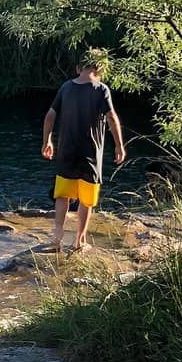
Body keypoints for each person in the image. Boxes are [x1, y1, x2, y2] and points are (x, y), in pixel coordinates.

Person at [41, 50, 126, 252]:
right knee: (87, 201)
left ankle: (57, 235)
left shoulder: (66, 87)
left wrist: (47, 141)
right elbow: (112, 118)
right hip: (91, 154)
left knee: (62, 195)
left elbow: (50, 115)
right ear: (100, 68)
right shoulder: (101, 90)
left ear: (78, 68)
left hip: (66, 151)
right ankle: (79, 240)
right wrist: (119, 145)